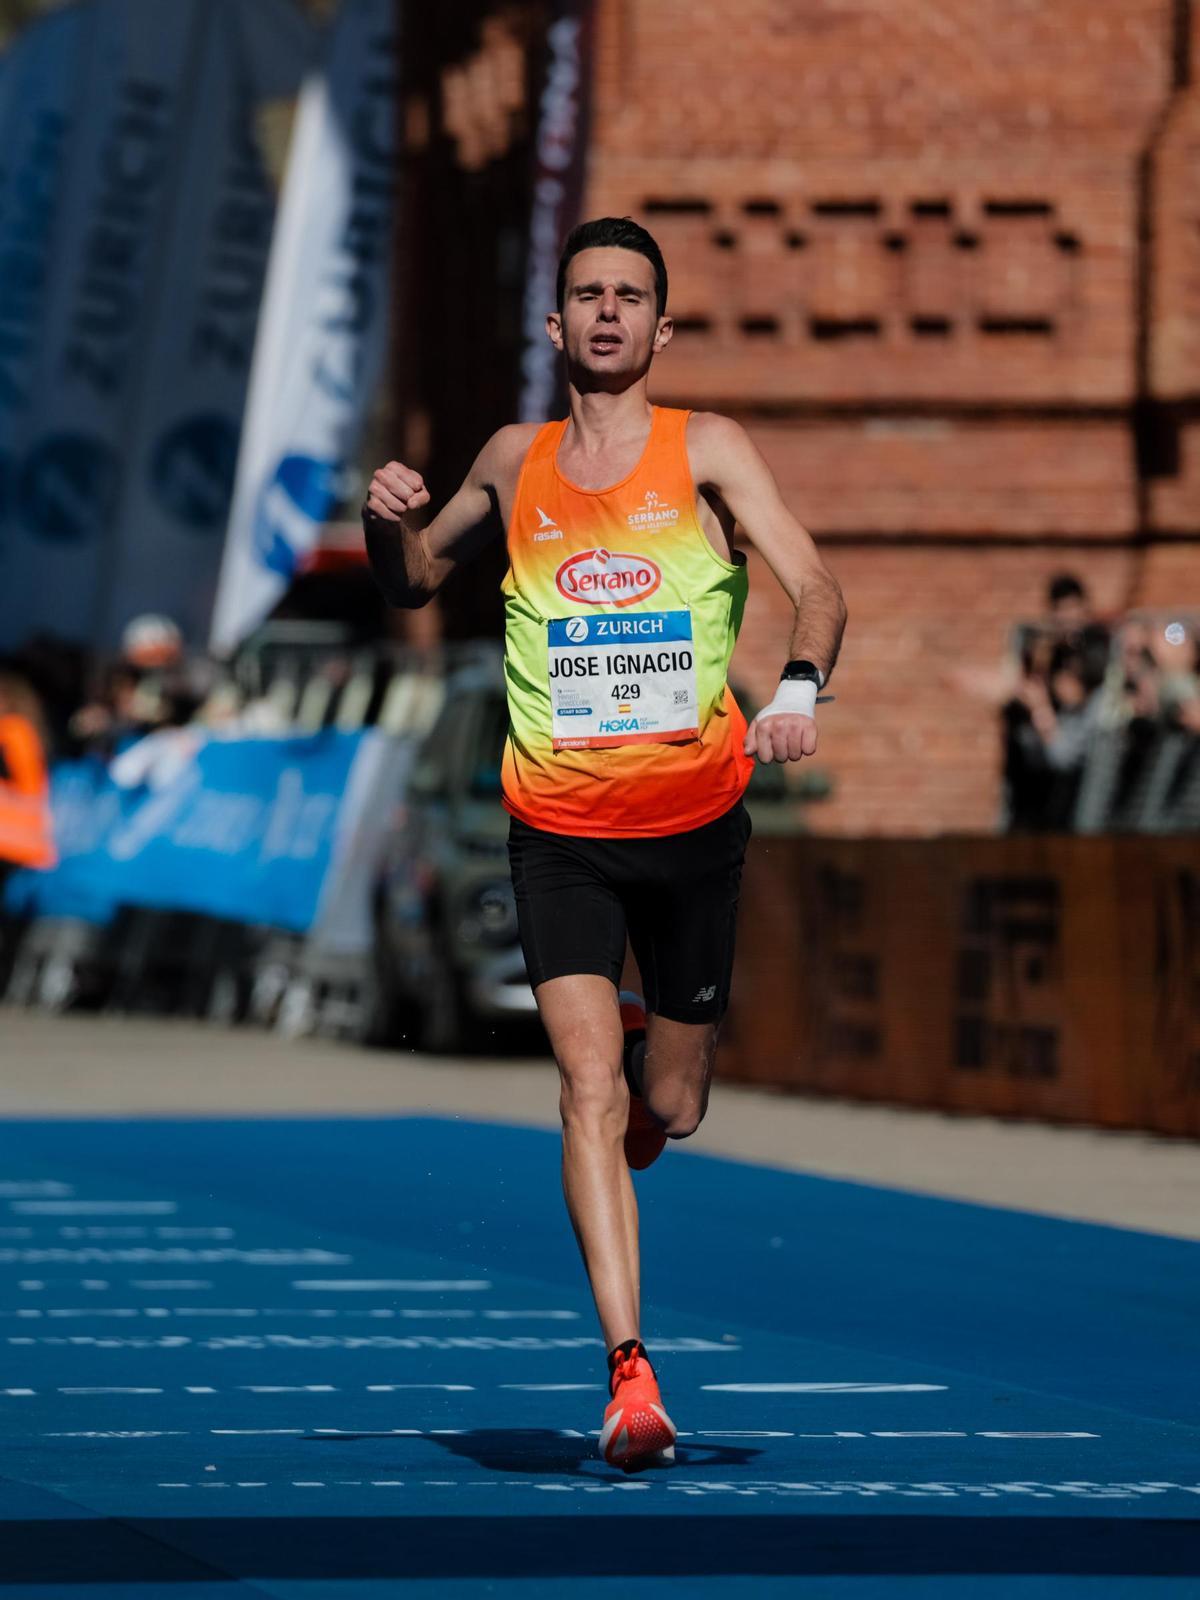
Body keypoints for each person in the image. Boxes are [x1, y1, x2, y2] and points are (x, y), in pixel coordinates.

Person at [363, 216, 847, 1471]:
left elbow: (817, 584)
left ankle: (649, 1057)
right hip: (559, 829)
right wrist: (382, 521)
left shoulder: (708, 450)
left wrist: (798, 687)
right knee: (586, 1089)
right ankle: (630, 1370)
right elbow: (413, 578)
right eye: (589, 293)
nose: (610, 311)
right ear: (557, 322)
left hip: (693, 828)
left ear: (662, 327)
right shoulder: (512, 459)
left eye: (632, 295)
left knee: (668, 1105)